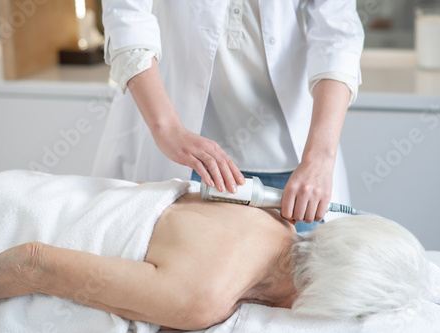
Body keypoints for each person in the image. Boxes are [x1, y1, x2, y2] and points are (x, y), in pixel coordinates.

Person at [0, 171, 429, 331]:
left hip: (12, 190)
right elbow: (34, 263)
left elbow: (140, 191)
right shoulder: (203, 299)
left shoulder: (270, 216)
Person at [93, 1, 365, 231]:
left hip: (296, 169)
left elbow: (336, 35)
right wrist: (167, 128)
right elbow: (127, 16)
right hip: (182, 157)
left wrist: (320, 158)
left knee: (304, 286)